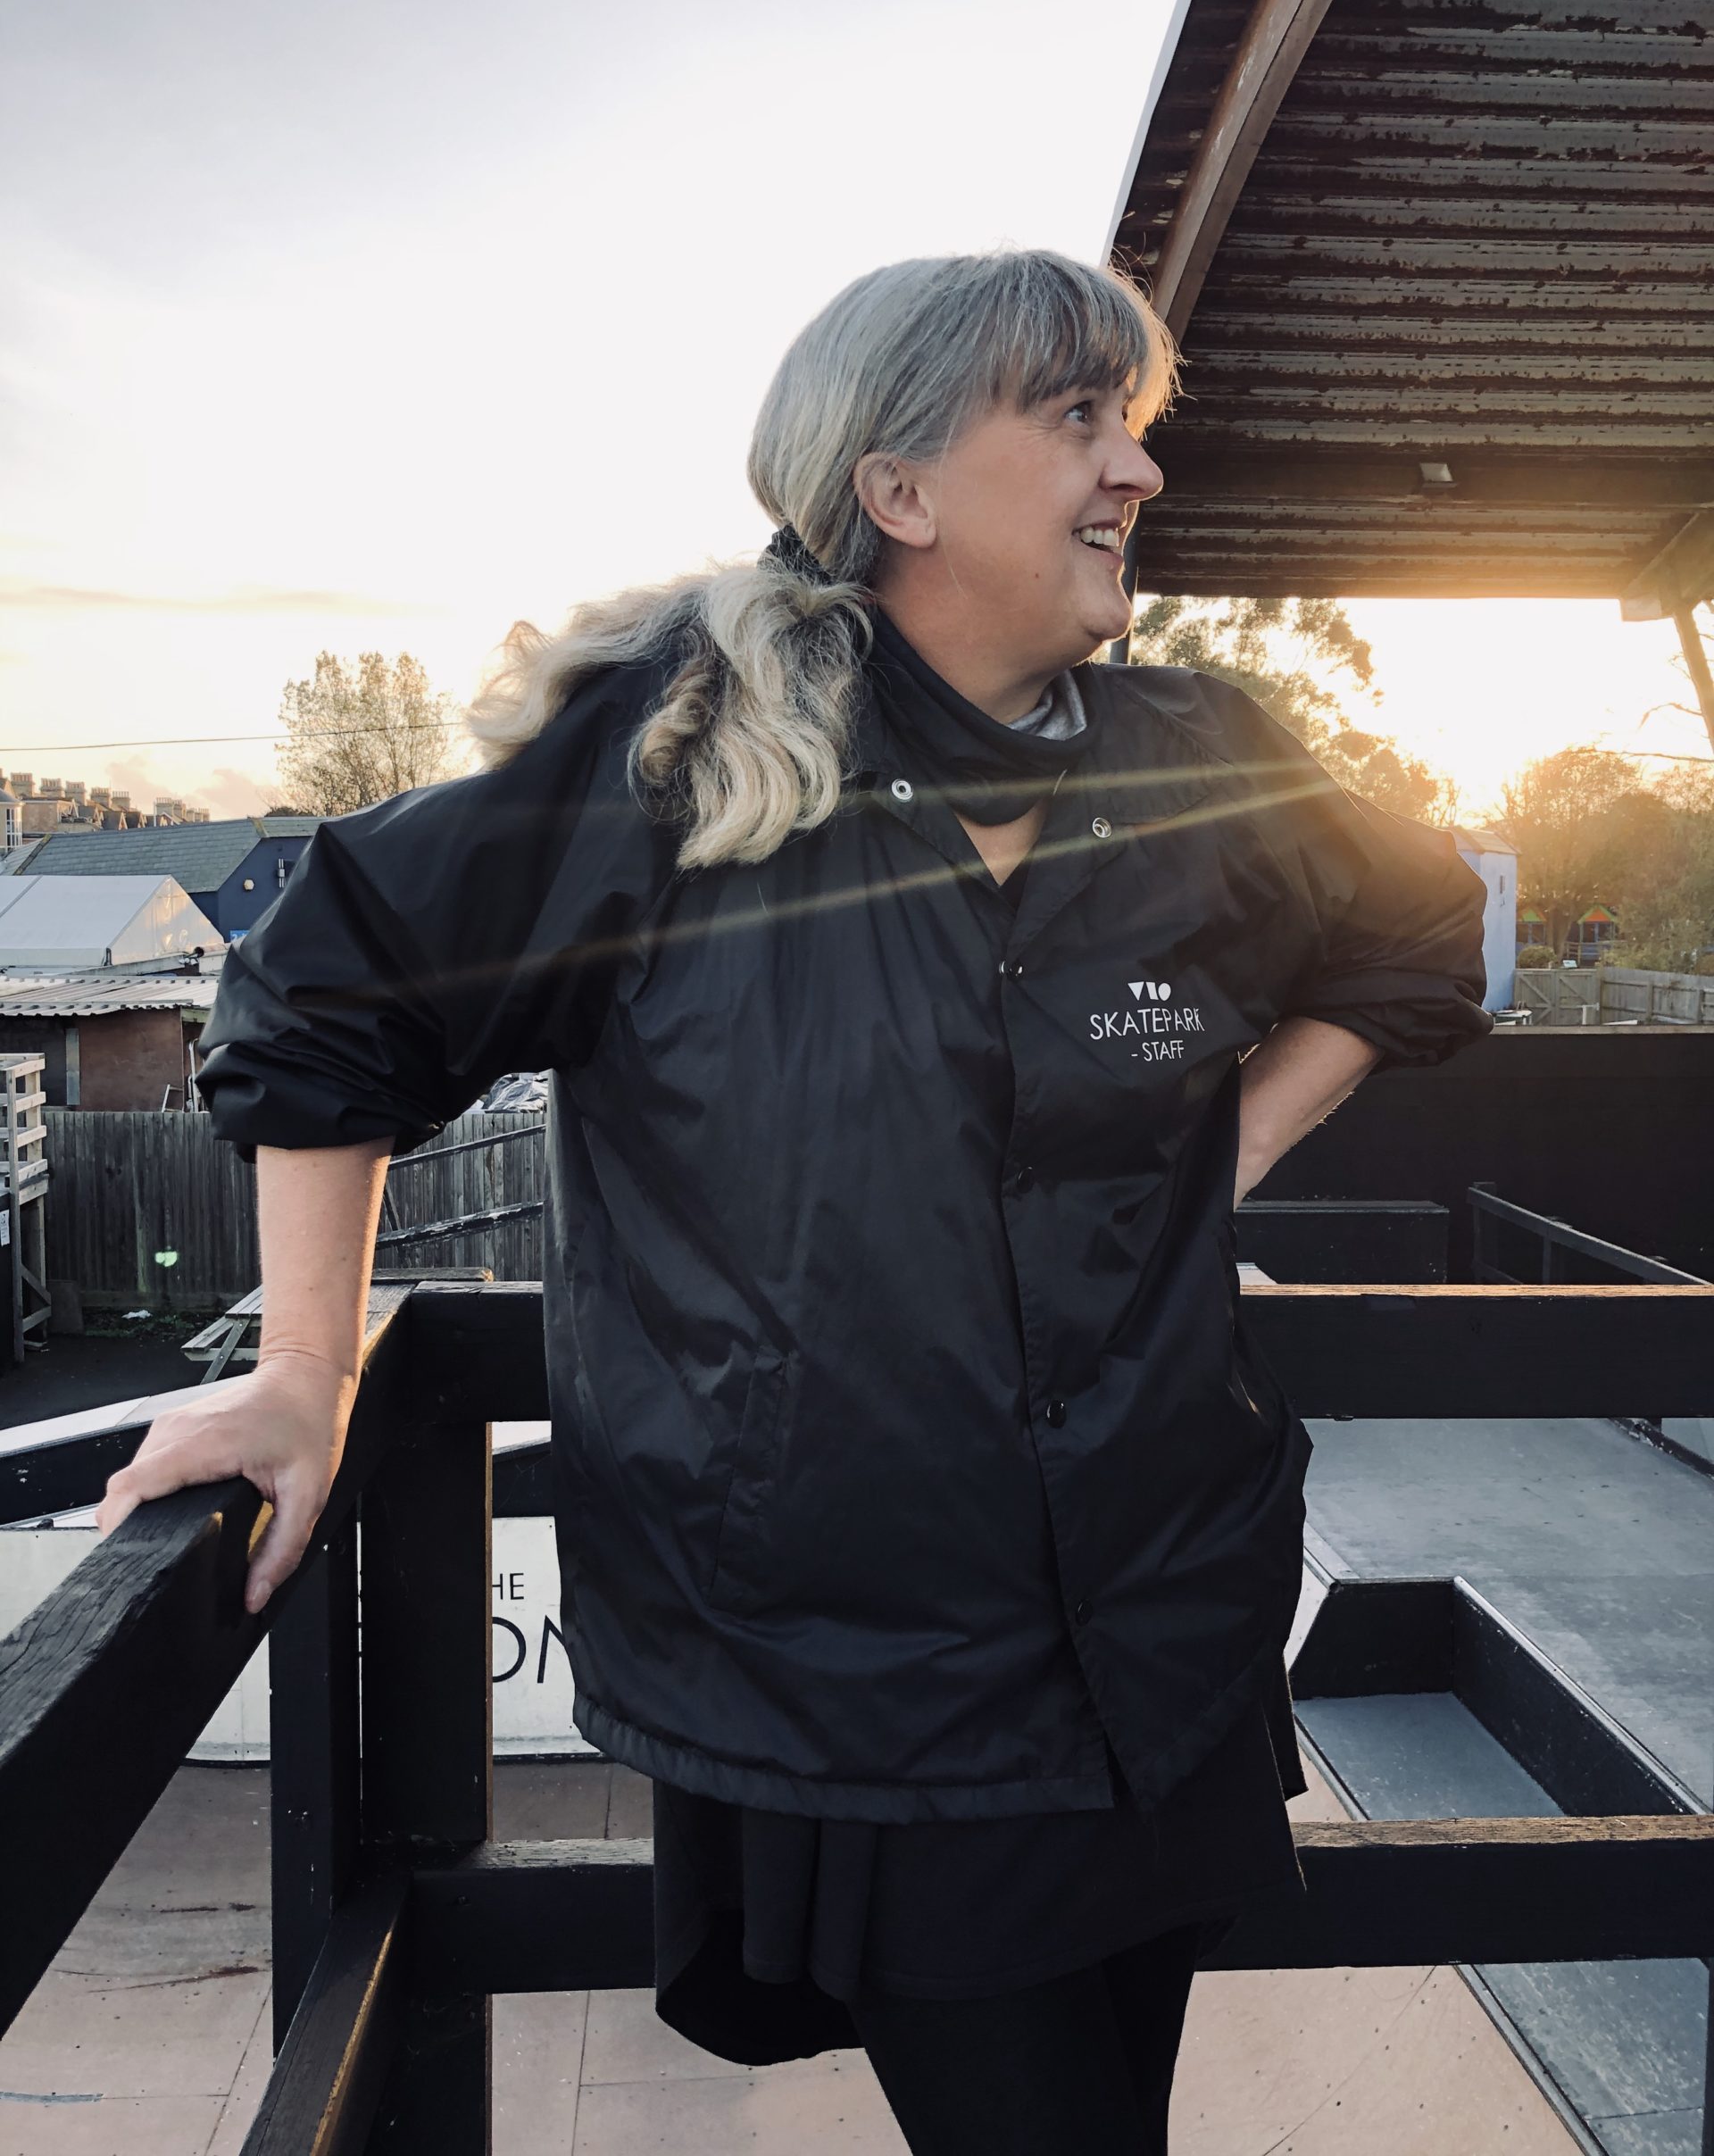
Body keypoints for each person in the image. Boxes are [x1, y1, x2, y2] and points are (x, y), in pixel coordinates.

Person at [97, 248, 1491, 2152]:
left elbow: (1419, 935)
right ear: (896, 488)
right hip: (867, 1678)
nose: (1138, 468)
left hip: (1168, 1621)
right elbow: (330, 991)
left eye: (1134, 421)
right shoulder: (676, 765)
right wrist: (304, 1371)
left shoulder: (1206, 762)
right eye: (1078, 417)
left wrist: (1225, 1151)